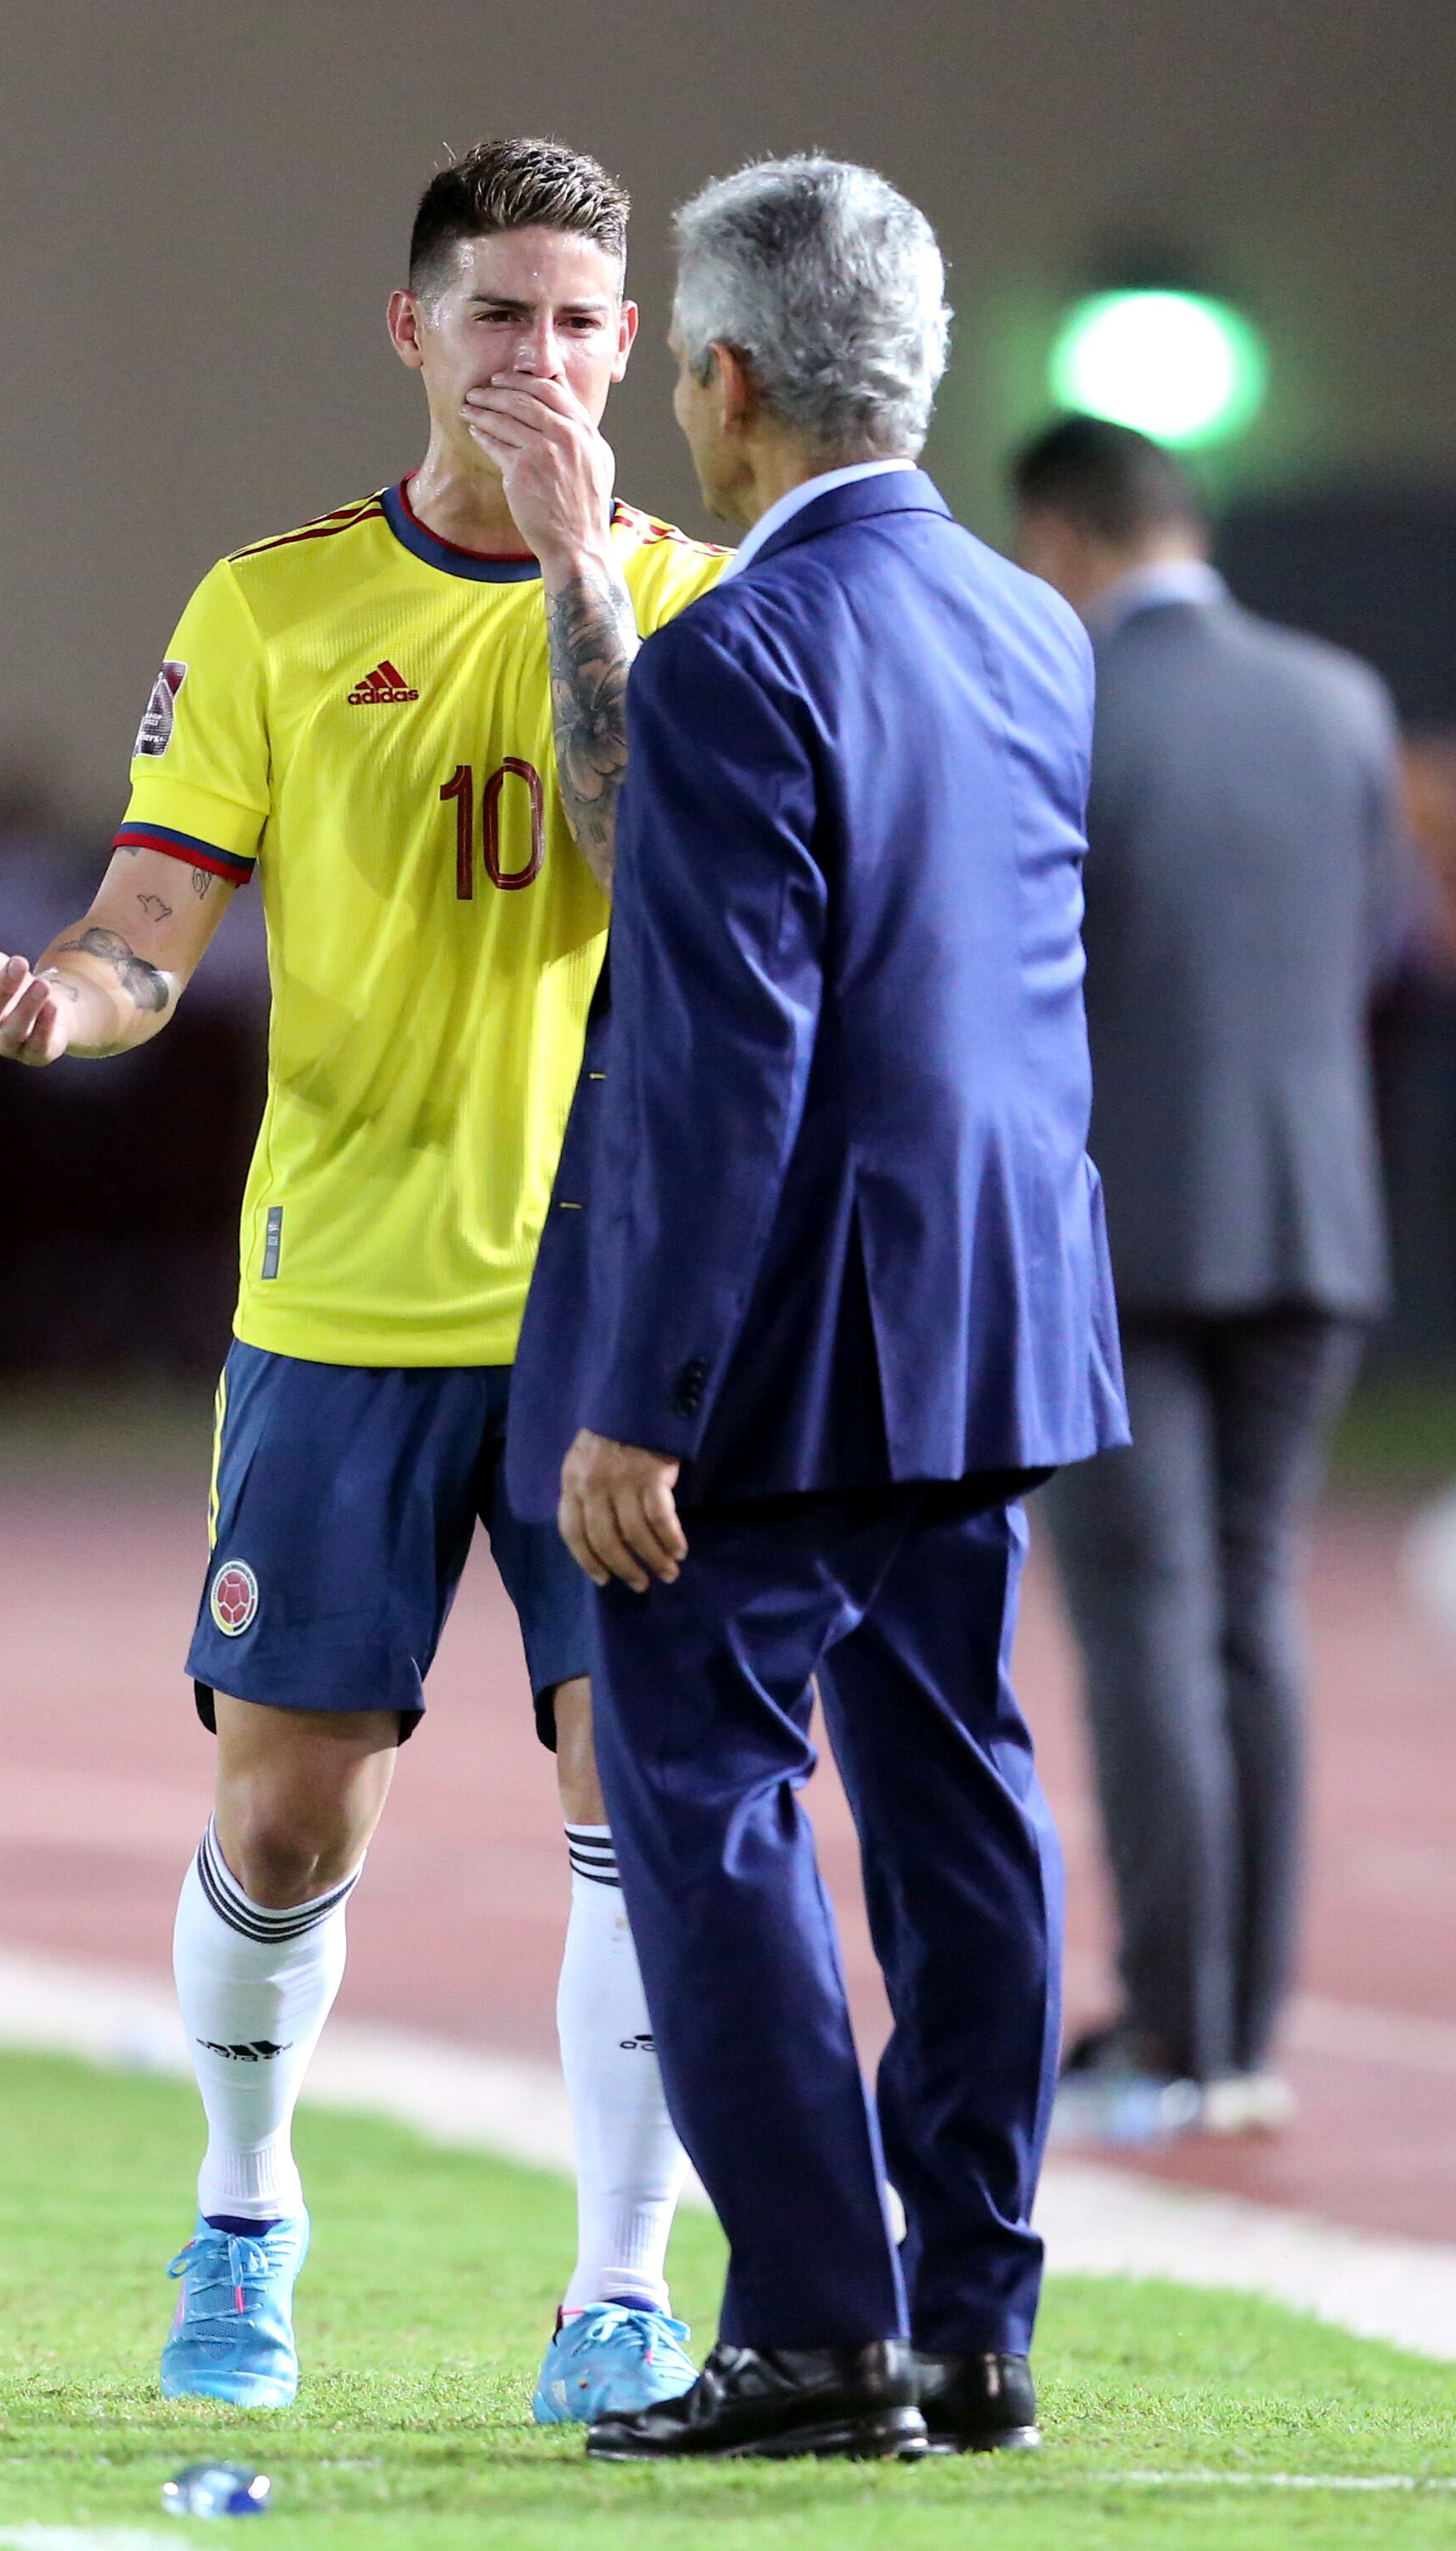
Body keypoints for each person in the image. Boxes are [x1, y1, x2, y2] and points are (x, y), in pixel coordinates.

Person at [0, 137, 725, 2420]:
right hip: (342, 1302)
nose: (536, 360)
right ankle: (248, 2208)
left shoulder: (691, 588)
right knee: (286, 1812)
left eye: (578, 320)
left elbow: (651, 851)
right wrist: (60, 1008)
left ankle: (618, 2288)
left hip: (613, 1321)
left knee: (638, 1802)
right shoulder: (267, 606)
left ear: (630, 344)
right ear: (410, 331)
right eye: (496, 315)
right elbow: (145, 932)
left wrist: (581, 571)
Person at [509, 156, 1127, 2465]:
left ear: (732, 381)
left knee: (703, 1784)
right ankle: (971, 2323)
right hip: (997, 1304)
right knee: (959, 1783)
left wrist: (636, 1396)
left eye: (673, 350)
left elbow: (722, 1051)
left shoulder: (738, 653)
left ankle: (811, 2324)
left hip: (788, 1338)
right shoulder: (1027, 624)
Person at [1009, 416, 1409, 2140]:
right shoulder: (1335, 700)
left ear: (1061, 539)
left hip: (1120, 1226)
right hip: (1312, 1219)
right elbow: (1384, 943)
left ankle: (1168, 2023)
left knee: (1144, 1624)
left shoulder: (1070, 698)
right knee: (1251, 1610)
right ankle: (1237, 2022)